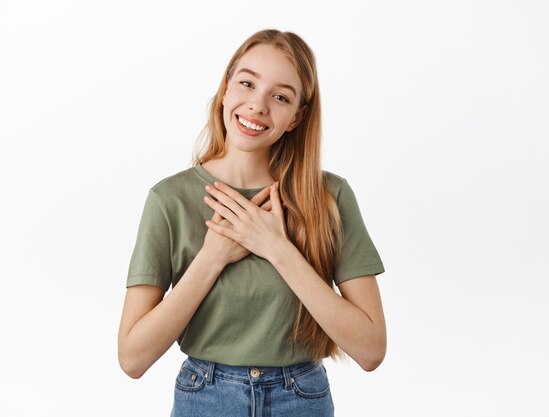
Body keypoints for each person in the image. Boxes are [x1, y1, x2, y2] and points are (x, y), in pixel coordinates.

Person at [118, 28, 386, 417]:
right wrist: (212, 257)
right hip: (205, 397)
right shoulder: (169, 200)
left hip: (302, 397)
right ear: (226, 89)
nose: (258, 105)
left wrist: (278, 249)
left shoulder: (330, 197)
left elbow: (371, 349)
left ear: (297, 117)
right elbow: (132, 358)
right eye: (247, 83)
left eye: (280, 97)